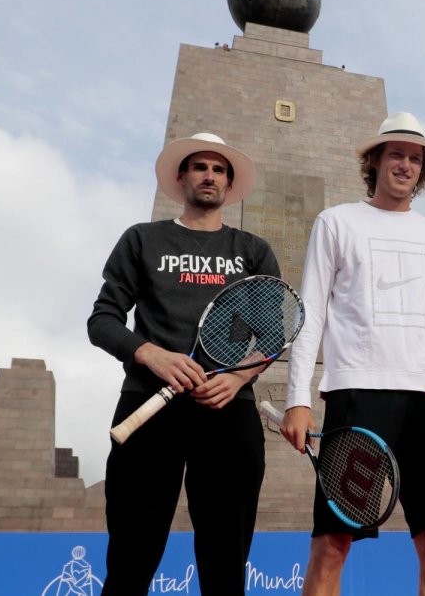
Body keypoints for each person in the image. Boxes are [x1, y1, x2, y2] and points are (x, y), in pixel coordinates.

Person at [280, 112, 425, 596]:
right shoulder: (336, 222)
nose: (405, 165)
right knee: (333, 541)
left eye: (415, 159)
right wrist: (296, 399)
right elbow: (311, 315)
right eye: (396, 155)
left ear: (423, 171)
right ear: (375, 161)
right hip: (358, 394)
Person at [88, 132, 280, 596]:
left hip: (227, 410)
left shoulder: (252, 250)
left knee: (225, 563)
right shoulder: (142, 238)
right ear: (182, 177)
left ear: (229, 186)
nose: (209, 176)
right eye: (200, 167)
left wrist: (236, 377)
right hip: (147, 406)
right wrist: (149, 353)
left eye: (219, 170)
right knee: (131, 557)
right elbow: (103, 320)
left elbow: (273, 334)